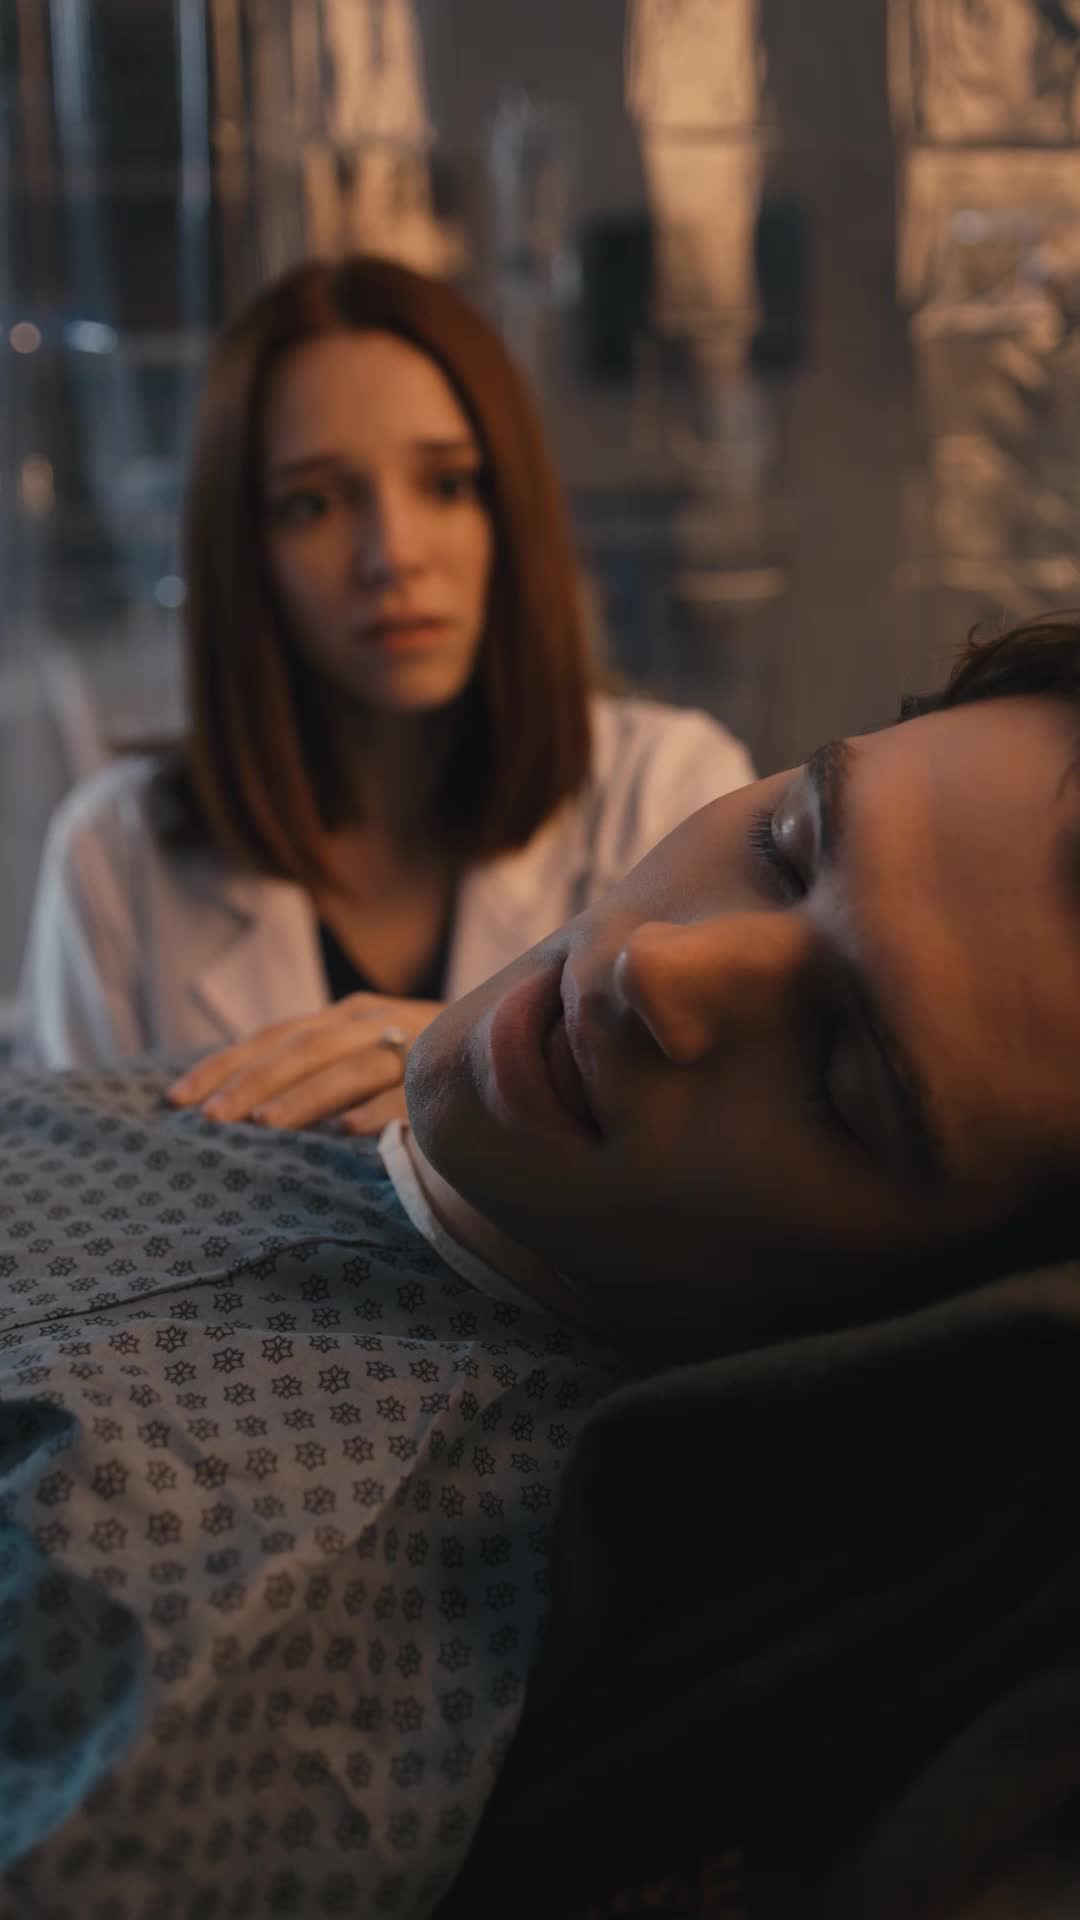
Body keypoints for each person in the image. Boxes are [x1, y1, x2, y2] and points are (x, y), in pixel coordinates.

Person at [3, 616, 1080, 1918]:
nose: (658, 966)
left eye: (842, 1080)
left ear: (935, 1308)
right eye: (788, 845)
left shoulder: (261, 1634)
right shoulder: (314, 1095)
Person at [13, 254, 754, 1137]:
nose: (393, 554)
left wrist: (453, 1058)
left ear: (510, 511)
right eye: (313, 505)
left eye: (447, 485)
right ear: (245, 551)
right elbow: (77, 1194)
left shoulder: (669, 792)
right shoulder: (116, 855)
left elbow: (734, 1161)